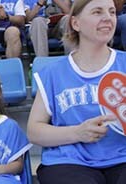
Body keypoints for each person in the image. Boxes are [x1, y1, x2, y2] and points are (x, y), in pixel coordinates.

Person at [27, 0, 126, 183]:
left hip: (122, 158)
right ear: (75, 23)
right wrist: (77, 133)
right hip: (69, 161)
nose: (108, 18)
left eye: (112, 12)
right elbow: (34, 131)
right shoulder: (53, 73)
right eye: (97, 12)